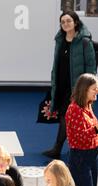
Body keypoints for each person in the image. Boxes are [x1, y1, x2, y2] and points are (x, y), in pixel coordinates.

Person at [43, 11, 96, 159]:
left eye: (69, 21)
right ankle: (79, 148)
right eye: (63, 22)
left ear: (76, 22)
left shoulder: (85, 41)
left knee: (69, 117)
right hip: (61, 85)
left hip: (77, 87)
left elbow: (91, 66)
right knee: (66, 116)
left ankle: (59, 148)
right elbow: (57, 64)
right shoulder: (60, 40)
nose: (66, 24)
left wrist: (88, 87)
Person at [65, 73, 98, 186]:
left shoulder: (88, 105)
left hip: (92, 156)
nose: (97, 91)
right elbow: (83, 136)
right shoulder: (74, 109)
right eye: (94, 89)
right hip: (81, 158)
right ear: (85, 90)